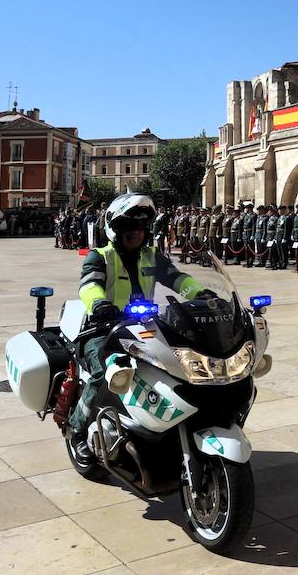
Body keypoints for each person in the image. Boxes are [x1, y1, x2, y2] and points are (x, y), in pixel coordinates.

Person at [69, 191, 208, 464]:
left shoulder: (151, 256)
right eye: (129, 227)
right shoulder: (100, 256)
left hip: (142, 326)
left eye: (141, 228)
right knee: (103, 372)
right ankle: (77, 429)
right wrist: (98, 303)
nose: (136, 233)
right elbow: (89, 285)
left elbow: (177, 278)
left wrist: (202, 295)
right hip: (102, 329)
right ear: (115, 229)